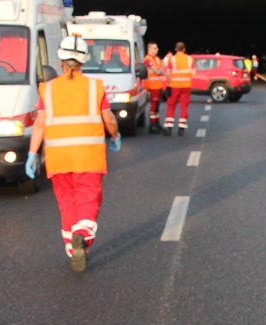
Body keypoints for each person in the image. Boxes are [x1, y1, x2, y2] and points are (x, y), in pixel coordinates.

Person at [25, 36, 121, 272]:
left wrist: (32, 153)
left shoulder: (47, 89)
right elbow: (108, 118)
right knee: (88, 199)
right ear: (84, 60)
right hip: (88, 157)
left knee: (66, 203)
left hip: (58, 159)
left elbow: (39, 124)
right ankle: (82, 235)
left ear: (60, 59)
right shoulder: (94, 86)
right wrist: (115, 136)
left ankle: (72, 248)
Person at [163, 41, 194, 135]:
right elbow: (193, 73)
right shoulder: (190, 59)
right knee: (184, 106)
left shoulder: (171, 59)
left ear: (175, 49)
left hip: (174, 86)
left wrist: (168, 84)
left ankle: (169, 127)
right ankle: (181, 127)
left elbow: (168, 73)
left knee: (171, 106)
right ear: (184, 49)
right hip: (186, 86)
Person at [141, 41, 167, 133]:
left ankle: (156, 124)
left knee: (156, 106)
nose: (157, 49)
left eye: (157, 48)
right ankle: (152, 125)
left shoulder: (156, 59)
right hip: (152, 86)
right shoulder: (148, 59)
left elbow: (162, 69)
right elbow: (157, 71)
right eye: (155, 48)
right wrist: (161, 71)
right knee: (154, 106)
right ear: (149, 49)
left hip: (157, 85)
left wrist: (161, 71)